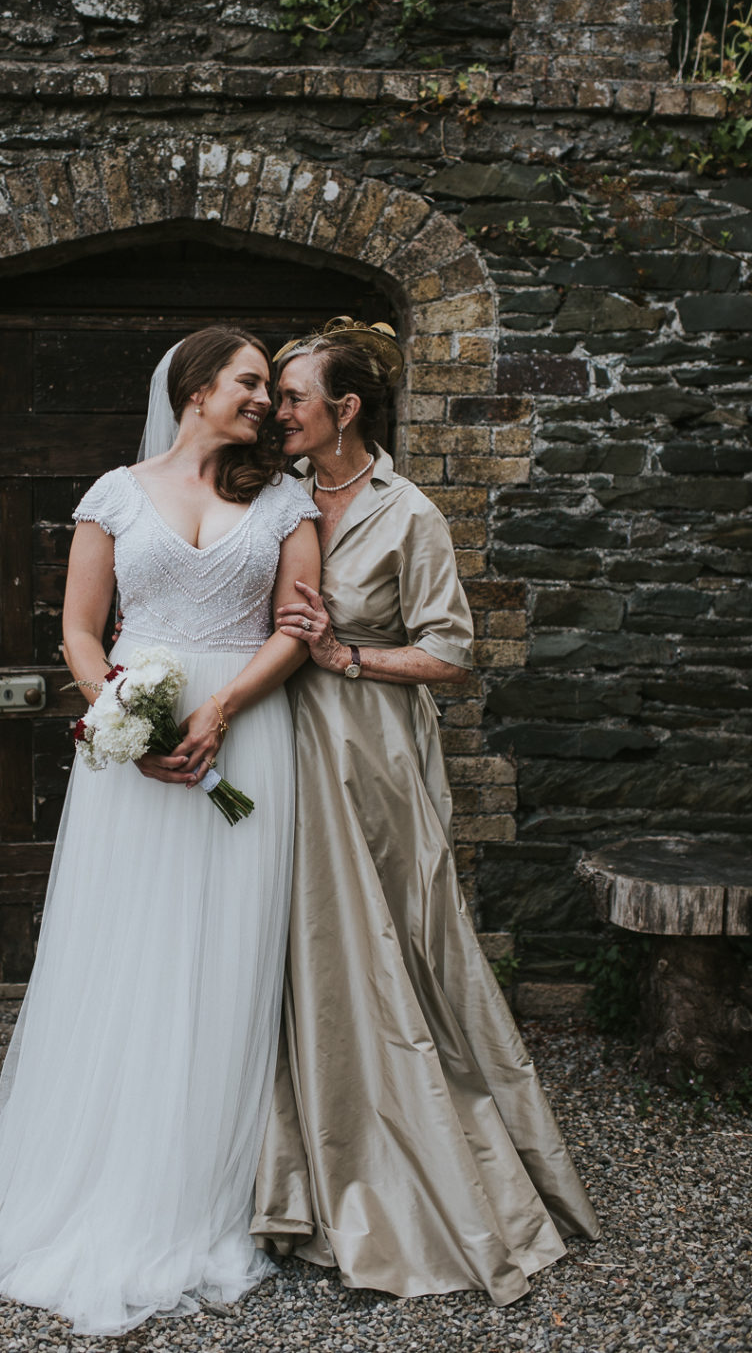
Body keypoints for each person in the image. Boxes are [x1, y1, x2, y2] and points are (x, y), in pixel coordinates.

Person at [0, 327, 320, 1335]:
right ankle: (99, 1166)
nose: (264, 404)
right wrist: (124, 720)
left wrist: (219, 710)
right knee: (125, 952)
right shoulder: (113, 493)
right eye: (247, 384)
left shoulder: (282, 501)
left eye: (271, 390)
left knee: (228, 956)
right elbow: (78, 629)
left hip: (246, 734)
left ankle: (209, 1187)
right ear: (194, 389)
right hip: (132, 756)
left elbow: (293, 624)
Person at [252, 317, 599, 1306]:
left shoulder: (409, 515)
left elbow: (449, 656)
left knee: (394, 950)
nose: (277, 410)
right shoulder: (269, 498)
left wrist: (344, 655)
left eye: (292, 396)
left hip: (375, 759)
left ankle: (412, 1163)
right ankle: (287, 1174)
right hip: (282, 751)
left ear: (344, 410)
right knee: (294, 950)